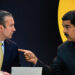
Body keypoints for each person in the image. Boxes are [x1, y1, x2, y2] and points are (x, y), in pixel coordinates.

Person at [18, 10, 75, 75]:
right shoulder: (63, 49)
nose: (64, 31)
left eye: (67, 27)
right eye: (63, 27)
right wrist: (36, 61)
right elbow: (52, 73)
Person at [0, 10, 20, 75]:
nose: (14, 29)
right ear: (1, 28)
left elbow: (16, 72)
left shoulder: (13, 47)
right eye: (11, 26)